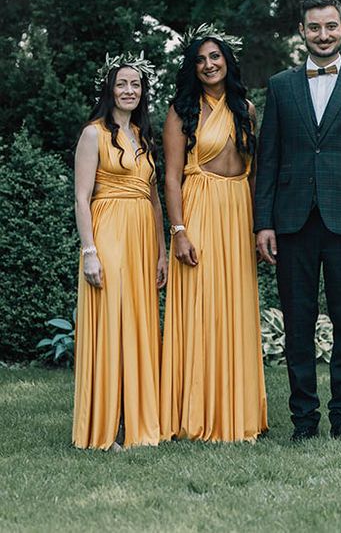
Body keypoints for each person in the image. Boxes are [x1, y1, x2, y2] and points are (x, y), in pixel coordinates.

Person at [255, 0, 341, 441]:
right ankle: (303, 421)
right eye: (314, 27)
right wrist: (264, 223)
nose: (323, 35)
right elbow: (268, 160)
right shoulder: (280, 86)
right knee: (297, 322)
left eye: (330, 26)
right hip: (292, 221)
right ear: (302, 31)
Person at [160, 25, 267, 442]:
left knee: (236, 307)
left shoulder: (247, 109)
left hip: (238, 209)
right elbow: (170, 177)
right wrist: (180, 230)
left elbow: (255, 173)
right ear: (193, 67)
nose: (209, 65)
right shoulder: (181, 111)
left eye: (215, 57)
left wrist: (260, 227)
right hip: (199, 208)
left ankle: (237, 413)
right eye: (201, 59)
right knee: (201, 308)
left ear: (227, 62)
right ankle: (196, 413)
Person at [73, 52, 166, 451]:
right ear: (110, 89)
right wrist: (89, 250)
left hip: (143, 237)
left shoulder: (144, 138)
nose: (129, 90)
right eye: (122, 84)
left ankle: (139, 423)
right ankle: (104, 429)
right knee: (111, 325)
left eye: (136, 85)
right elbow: (80, 198)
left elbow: (155, 199)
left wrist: (162, 252)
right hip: (108, 232)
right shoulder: (93, 133)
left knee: (140, 326)